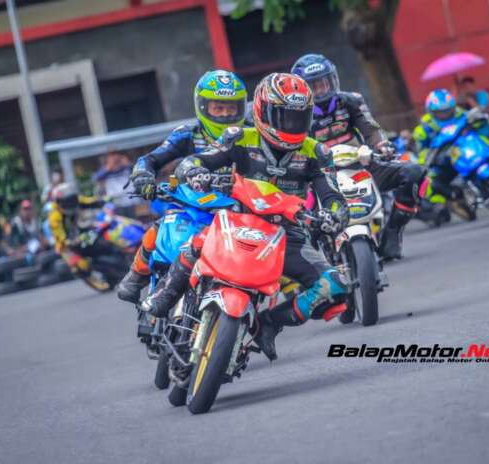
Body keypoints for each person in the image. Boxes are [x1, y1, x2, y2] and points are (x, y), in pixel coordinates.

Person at [141, 73, 350, 361]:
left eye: (298, 117)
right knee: (196, 242)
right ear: (262, 111)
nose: (291, 124)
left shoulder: (317, 152)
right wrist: (195, 172)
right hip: (237, 219)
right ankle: (165, 295)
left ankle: (270, 323)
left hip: (286, 233)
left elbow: (334, 198)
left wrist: (333, 216)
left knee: (335, 285)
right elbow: (196, 160)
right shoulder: (239, 137)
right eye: (283, 116)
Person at [116, 69, 248, 303]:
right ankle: (136, 274)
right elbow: (150, 159)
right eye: (218, 108)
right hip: (192, 205)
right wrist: (143, 176)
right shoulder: (187, 134)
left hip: (239, 211)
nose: (226, 115)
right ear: (203, 107)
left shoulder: (251, 133)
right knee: (161, 227)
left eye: (231, 108)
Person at [290, 53, 425, 260]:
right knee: (296, 211)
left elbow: (370, 128)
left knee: (414, 172)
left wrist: (381, 145)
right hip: (320, 174)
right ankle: (313, 257)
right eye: (313, 86)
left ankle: (393, 231)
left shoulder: (351, 100)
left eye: (324, 83)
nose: (321, 90)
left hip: (361, 162)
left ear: (333, 80)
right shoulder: (296, 114)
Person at [413, 89, 489, 212]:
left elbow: (476, 122)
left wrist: (478, 119)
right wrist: (427, 159)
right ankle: (450, 199)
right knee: (431, 181)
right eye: (440, 112)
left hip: (466, 149)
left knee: (486, 144)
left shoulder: (460, 114)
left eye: (447, 110)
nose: (444, 115)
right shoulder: (425, 127)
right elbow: (421, 150)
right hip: (443, 161)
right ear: (431, 112)